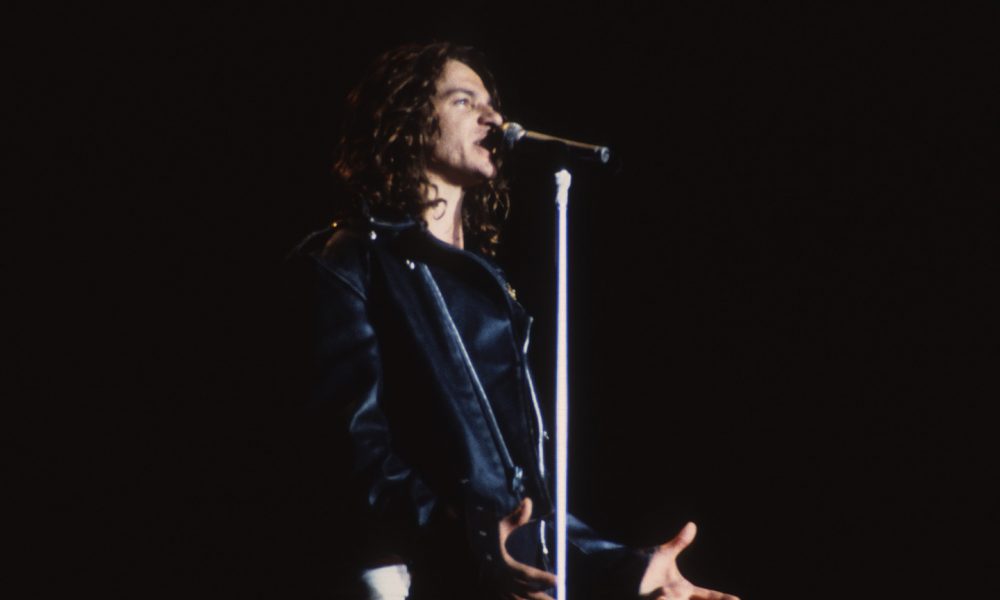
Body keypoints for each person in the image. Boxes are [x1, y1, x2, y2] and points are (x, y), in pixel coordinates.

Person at [291, 41, 739, 600]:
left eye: (492, 104)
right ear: (406, 121)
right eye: (463, 100)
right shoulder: (350, 260)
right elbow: (348, 451)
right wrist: (467, 537)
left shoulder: (489, 291)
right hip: (402, 575)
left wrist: (630, 569)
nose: (494, 117)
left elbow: (520, 502)